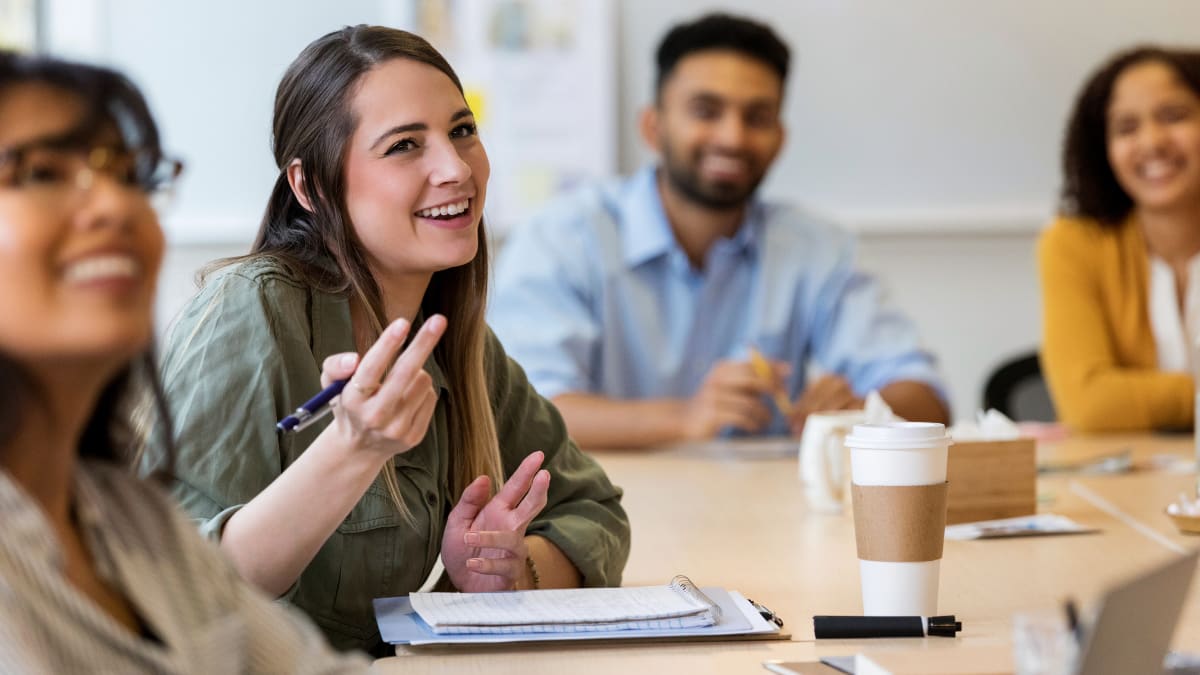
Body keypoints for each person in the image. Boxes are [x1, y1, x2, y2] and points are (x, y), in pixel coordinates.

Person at [155, 26, 630, 654]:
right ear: (310, 187)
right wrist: (351, 452)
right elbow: (175, 584)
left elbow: (594, 510)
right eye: (405, 145)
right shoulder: (250, 311)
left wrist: (514, 570)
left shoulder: (456, 342)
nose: (455, 169)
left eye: (463, 130)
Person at [0, 52, 366, 672]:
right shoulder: (253, 301)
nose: (115, 206)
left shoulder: (133, 521)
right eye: (40, 174)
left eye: (129, 175)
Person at [488, 13, 948, 450]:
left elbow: (927, 397)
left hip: (766, 518)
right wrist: (686, 417)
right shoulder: (561, 239)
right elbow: (521, 412)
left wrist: (863, 411)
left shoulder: (815, 248)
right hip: (605, 516)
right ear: (653, 126)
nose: (732, 137)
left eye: (757, 117)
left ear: (780, 138)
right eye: (706, 111)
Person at [1039, 47, 1200, 432]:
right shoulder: (1073, 243)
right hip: (1126, 484)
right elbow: (1089, 404)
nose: (1152, 141)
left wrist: (1141, 398)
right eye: (1126, 128)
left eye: (1173, 117)